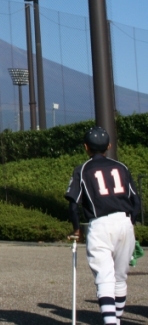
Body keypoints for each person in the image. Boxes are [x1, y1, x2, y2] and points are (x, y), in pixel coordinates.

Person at [65, 127, 142, 325]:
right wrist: (130, 223)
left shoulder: (82, 169)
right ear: (109, 146)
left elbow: (73, 204)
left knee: (104, 278)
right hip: (124, 222)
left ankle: (110, 322)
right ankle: (116, 319)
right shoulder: (121, 167)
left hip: (99, 225)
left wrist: (76, 229)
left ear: (86, 147)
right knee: (120, 278)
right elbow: (136, 201)